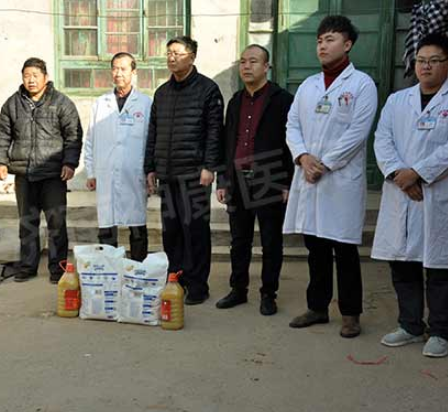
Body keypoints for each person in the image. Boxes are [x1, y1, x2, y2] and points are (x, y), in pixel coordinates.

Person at [283, 16, 378, 338]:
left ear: (347, 44)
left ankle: (350, 314)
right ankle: (318, 307)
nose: (322, 46)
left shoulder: (362, 84)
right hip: (308, 173)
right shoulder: (308, 85)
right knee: (315, 246)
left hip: (339, 178)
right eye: (319, 40)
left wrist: (323, 164)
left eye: (330, 39)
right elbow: (292, 125)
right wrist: (302, 156)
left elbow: (358, 133)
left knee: (345, 249)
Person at [372, 33, 448, 358]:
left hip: (437, 192)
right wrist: (398, 174)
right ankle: (410, 325)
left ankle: (441, 331)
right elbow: (382, 139)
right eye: (421, 60)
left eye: (434, 61)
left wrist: (418, 172)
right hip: (401, 192)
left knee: (440, 267)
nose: (425, 66)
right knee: (402, 263)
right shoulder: (397, 100)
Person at [144, 36, 224, 305]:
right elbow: (153, 132)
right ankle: (176, 279)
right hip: (168, 175)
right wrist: (150, 167)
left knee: (195, 231)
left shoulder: (208, 90)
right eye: (168, 53)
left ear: (192, 57)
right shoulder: (162, 93)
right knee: (172, 232)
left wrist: (209, 166)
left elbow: (215, 132)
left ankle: (198, 285)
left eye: (177, 53)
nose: (171, 58)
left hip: (194, 174)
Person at [215, 44, 294, 315]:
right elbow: (228, 141)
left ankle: (268, 294)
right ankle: (238, 289)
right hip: (237, 178)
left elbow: (290, 143)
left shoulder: (282, 100)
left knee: (270, 241)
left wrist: (286, 183)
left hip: (270, 177)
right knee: (239, 240)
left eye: (253, 61)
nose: (247, 66)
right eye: (243, 61)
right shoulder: (236, 101)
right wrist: (223, 180)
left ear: (266, 67)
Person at [0, 57, 83, 283]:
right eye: (26, 76)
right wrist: (0, 162)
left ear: (45, 77)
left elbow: (73, 135)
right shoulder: (13, 104)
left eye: (35, 75)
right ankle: (27, 267)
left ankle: (58, 269)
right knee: (27, 223)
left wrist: (69, 163)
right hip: (24, 174)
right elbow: (2, 134)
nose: (31, 80)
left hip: (53, 174)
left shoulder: (61, 103)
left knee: (56, 224)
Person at [84, 52, 151, 261]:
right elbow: (90, 139)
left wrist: (150, 172)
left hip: (134, 174)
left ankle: (138, 268)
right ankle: (109, 269)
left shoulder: (145, 103)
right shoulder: (100, 103)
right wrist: (90, 172)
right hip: (106, 173)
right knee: (107, 226)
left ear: (134, 72)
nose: (118, 73)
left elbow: (151, 141)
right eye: (115, 68)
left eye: (123, 69)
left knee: (137, 226)